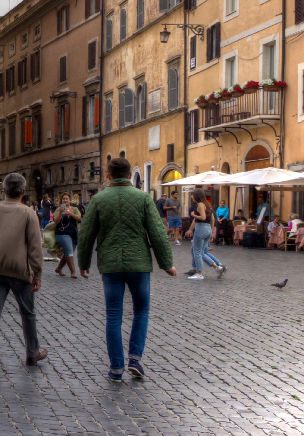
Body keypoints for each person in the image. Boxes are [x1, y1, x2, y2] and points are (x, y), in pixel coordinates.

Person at [77, 157, 177, 382]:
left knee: (114, 315)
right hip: (139, 264)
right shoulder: (143, 198)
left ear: (108, 174)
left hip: (110, 265)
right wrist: (166, 264)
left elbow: (85, 235)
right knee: (141, 311)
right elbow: (158, 233)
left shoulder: (98, 199)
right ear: (130, 174)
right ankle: (134, 359)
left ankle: (116, 368)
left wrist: (83, 264)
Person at [0, 172, 45, 373]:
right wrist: (37, 274)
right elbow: (35, 247)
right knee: (28, 313)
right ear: (23, 192)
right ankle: (32, 353)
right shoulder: (28, 213)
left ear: (4, 190)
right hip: (20, 271)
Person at [185, 190, 224, 279]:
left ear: (196, 196)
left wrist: (193, 215)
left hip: (201, 228)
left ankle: (199, 273)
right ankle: (217, 267)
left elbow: (203, 217)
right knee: (201, 252)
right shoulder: (207, 204)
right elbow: (212, 219)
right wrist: (212, 229)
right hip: (207, 228)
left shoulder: (200, 205)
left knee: (197, 252)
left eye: (193, 195)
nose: (192, 197)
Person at [53, 193, 83, 278]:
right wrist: (60, 213)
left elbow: (79, 218)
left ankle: (59, 268)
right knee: (69, 251)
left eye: (67, 199)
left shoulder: (74, 208)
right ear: (61, 201)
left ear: (70, 200)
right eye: (63, 199)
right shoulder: (58, 209)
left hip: (73, 233)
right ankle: (73, 272)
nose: (65, 200)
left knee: (68, 252)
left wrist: (71, 214)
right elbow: (56, 222)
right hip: (62, 233)